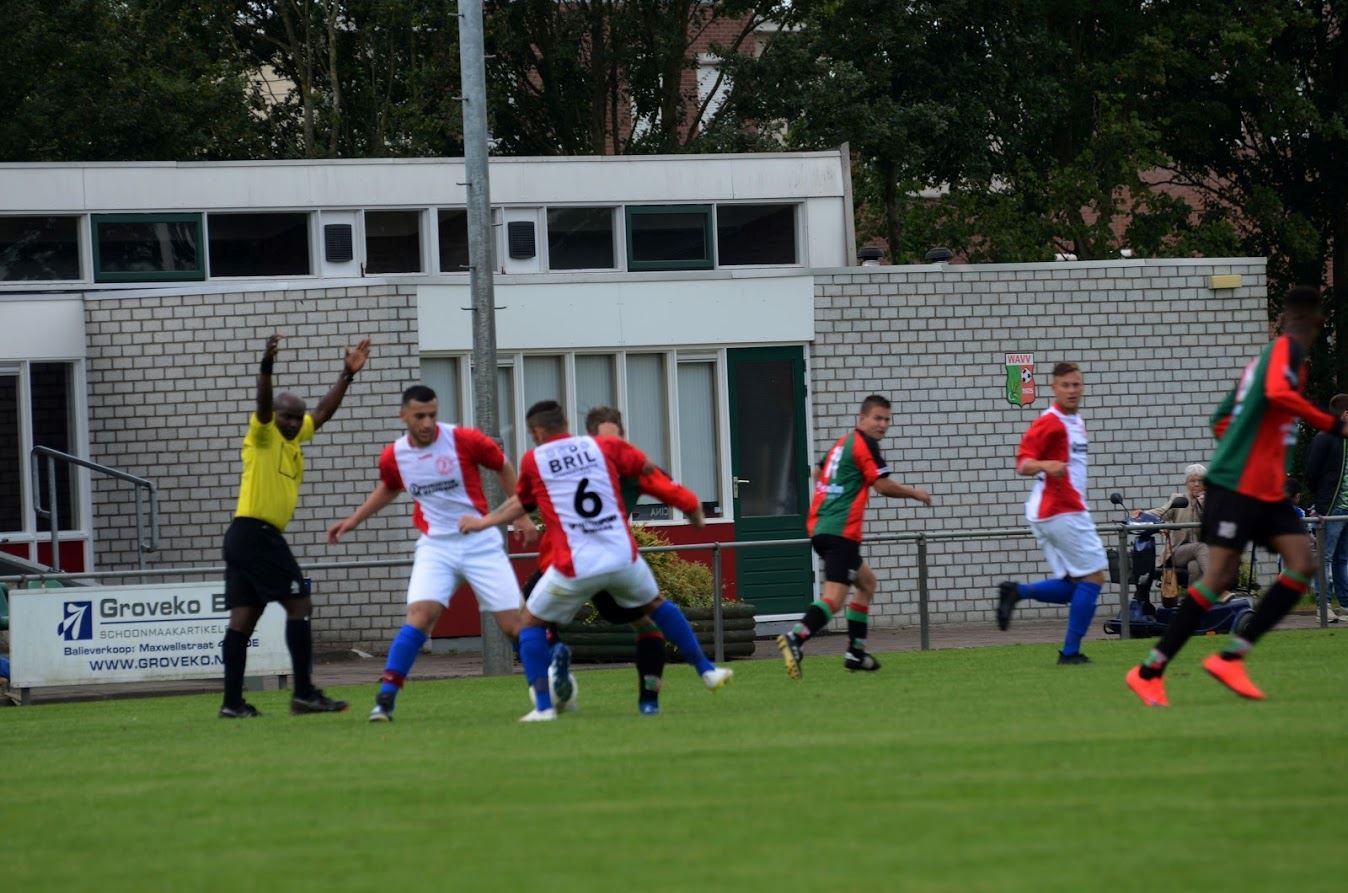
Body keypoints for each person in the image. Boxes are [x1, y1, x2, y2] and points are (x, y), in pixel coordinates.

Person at [1126, 286, 1348, 706]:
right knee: (1223, 576)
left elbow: (1220, 418)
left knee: (1298, 565)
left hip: (1262, 487)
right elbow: (1276, 399)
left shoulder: (1272, 363)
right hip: (1237, 484)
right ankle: (1152, 670)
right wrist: (1332, 425)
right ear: (1311, 322)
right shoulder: (1284, 353)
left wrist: (1251, 448)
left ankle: (1208, 662)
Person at [460, 400, 733, 722]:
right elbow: (652, 472)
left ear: (536, 431)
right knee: (655, 608)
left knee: (529, 624)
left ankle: (545, 705)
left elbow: (522, 501)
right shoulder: (605, 448)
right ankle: (705, 669)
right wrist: (690, 505)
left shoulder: (536, 459)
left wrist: (483, 522)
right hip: (621, 558)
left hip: (573, 564)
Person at [326, 385, 537, 722]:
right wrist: (353, 520)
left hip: (479, 542)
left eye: (432, 415)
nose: (427, 423)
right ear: (404, 416)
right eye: (419, 416)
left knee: (512, 626)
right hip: (435, 546)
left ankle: (550, 678)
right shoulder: (394, 455)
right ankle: (385, 699)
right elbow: (390, 488)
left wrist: (522, 516)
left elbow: (503, 465)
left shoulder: (463, 440)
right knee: (419, 616)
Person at [220, 332, 371, 719]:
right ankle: (304, 693)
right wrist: (266, 366)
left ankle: (233, 704)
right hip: (256, 534)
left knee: (244, 618)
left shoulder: (294, 437)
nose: (291, 422)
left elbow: (320, 412)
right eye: (286, 415)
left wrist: (347, 375)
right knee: (299, 602)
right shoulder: (264, 434)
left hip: (244, 537)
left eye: (294, 417)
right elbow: (264, 405)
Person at [518, 406, 673, 715]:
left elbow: (529, 496)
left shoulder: (570, 464)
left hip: (573, 564)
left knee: (526, 621)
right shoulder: (618, 468)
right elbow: (667, 484)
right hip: (610, 564)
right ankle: (647, 701)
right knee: (647, 624)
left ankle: (554, 669)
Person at [775, 394, 933, 679]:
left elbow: (819, 472)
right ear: (861, 419)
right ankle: (795, 639)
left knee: (867, 582)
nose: (882, 425)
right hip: (840, 532)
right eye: (877, 418)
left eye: (887, 420)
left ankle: (855, 653)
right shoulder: (865, 445)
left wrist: (836, 489)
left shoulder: (843, 442)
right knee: (834, 599)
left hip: (823, 527)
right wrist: (915, 493)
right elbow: (883, 486)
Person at [996, 362, 1107, 665]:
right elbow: (1022, 463)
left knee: (1076, 584)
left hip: (1054, 510)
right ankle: (1070, 653)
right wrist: (1047, 465)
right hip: (1061, 509)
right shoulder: (1051, 421)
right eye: (1065, 385)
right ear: (1053, 388)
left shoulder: (1077, 421)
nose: (1072, 391)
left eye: (1076, 385)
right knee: (1094, 577)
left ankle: (1017, 591)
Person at [1305, 394, 1348, 622]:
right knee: (1326, 557)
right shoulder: (1325, 438)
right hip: (1331, 508)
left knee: (1343, 558)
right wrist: (1320, 501)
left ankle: (1345, 604)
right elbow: (1311, 473)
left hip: (1346, 509)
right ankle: (1324, 606)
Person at [1151, 464, 1208, 588]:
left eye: (1200, 481)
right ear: (1186, 483)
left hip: (1201, 554)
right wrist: (1140, 515)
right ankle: (1217, 586)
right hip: (1177, 552)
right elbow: (1160, 513)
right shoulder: (1179, 500)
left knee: (1195, 567)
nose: (1197, 484)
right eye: (1192, 481)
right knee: (1200, 547)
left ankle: (1192, 603)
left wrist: (1205, 508)